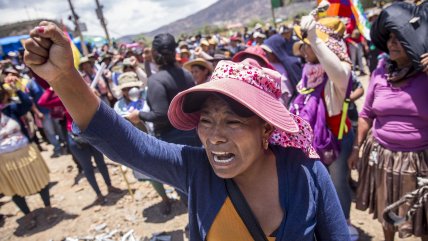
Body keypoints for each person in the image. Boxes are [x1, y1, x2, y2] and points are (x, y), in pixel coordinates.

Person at [24, 21, 350, 241]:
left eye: (232, 121)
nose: (214, 135)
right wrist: (64, 78)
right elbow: (127, 144)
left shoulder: (307, 174)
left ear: (266, 129)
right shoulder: (196, 169)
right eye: (206, 120)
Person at [348, 2, 428, 240]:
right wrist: (356, 148)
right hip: (382, 157)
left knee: (424, 217)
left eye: (400, 38)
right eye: (390, 37)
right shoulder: (380, 73)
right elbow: (366, 114)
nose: (392, 43)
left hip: (420, 161)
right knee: (387, 210)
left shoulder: (425, 75)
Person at [293, 16, 358, 240]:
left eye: (308, 44)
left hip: (336, 139)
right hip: (314, 141)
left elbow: (338, 73)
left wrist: (316, 39)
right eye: (303, 44)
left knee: (338, 184)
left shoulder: (339, 72)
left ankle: (344, 225)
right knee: (319, 184)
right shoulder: (307, 73)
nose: (303, 48)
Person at [113, 72, 173, 215]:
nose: (130, 91)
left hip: (158, 138)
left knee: (170, 168)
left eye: (133, 87)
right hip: (138, 144)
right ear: (122, 91)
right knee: (152, 174)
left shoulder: (147, 97)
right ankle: (165, 199)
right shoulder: (118, 106)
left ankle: (181, 193)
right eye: (126, 89)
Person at [0, 85, 52, 230]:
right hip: (4, 160)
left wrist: (16, 89)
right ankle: (27, 215)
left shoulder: (11, 108)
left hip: (25, 152)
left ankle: (48, 206)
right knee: (14, 189)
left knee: (40, 180)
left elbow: (27, 104)